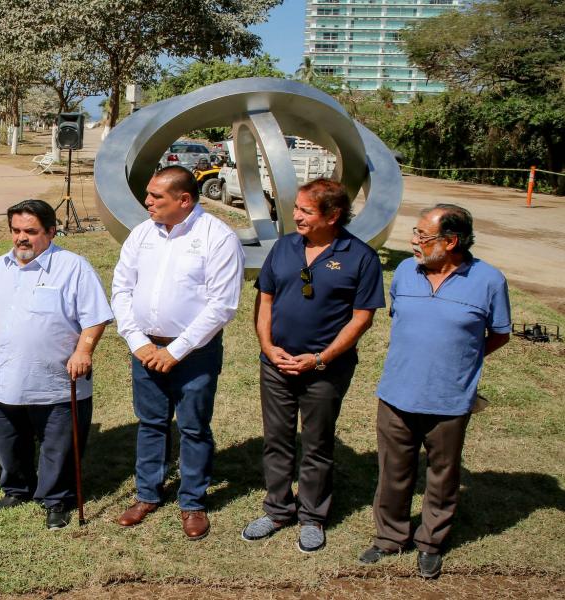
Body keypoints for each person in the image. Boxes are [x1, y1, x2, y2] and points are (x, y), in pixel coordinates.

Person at [359, 204, 511, 578]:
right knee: (393, 470)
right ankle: (389, 537)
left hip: (450, 399)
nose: (413, 241)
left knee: (442, 475)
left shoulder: (490, 281)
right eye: (414, 232)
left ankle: (430, 543)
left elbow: (500, 334)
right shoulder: (404, 275)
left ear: (451, 241)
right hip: (397, 393)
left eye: (422, 236)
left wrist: (462, 360)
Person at [241, 179, 384, 553]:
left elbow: (361, 318)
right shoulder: (285, 247)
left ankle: (312, 517)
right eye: (297, 208)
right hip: (276, 364)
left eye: (306, 210)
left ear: (333, 216)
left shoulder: (360, 257)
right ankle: (276, 510)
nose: (296, 216)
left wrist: (321, 358)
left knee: (318, 443)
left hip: (325, 369)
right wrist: (269, 348)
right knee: (277, 438)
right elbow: (266, 300)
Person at [111, 165, 244, 540]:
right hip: (146, 348)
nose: (147, 201)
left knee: (193, 427)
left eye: (156, 196)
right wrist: (138, 342)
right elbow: (121, 289)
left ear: (184, 200)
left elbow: (222, 305)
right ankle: (148, 493)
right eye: (149, 195)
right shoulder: (141, 234)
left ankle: (193, 502)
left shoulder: (217, 237)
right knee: (151, 423)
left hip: (194, 354)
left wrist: (177, 350)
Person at [0, 199, 113, 529]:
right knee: (7, 439)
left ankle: (57, 498)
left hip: (54, 381)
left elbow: (96, 318)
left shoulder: (74, 268)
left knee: (58, 445)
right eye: (16, 231)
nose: (22, 238)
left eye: (31, 231)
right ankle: (17, 488)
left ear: (51, 231)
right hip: (1, 377)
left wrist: (84, 351)